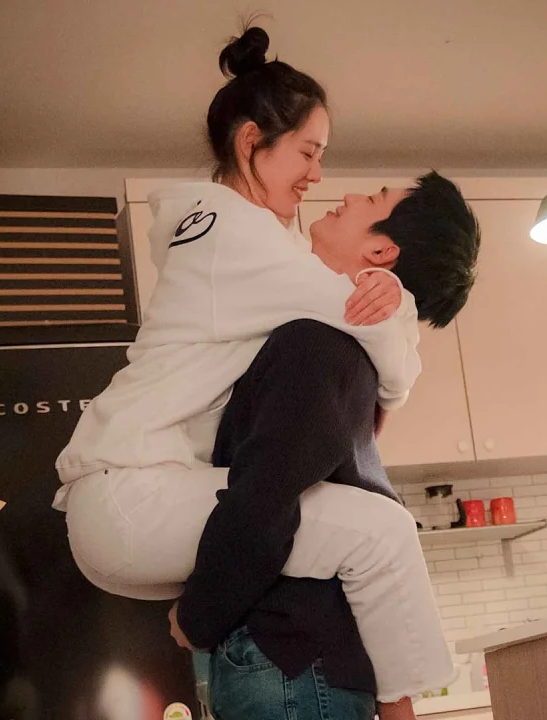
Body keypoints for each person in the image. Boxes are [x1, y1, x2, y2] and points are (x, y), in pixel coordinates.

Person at [54, 26, 479, 708]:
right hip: (133, 495)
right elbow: (384, 356)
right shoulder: (238, 239)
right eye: (308, 152)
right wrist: (394, 302)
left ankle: (401, 701)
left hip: (132, 497)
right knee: (381, 531)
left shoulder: (235, 237)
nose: (320, 177)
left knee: (360, 531)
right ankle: (406, 705)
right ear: (252, 142)